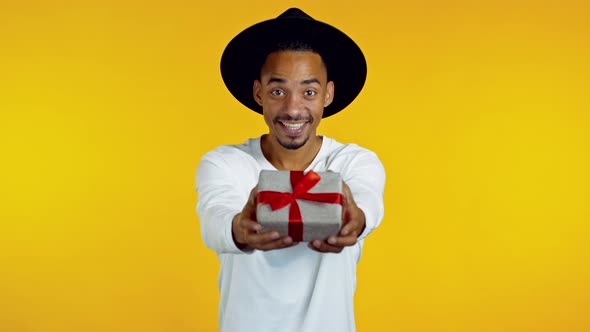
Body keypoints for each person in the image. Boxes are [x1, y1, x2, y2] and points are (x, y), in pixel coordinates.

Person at [196, 8, 385, 332]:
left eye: (309, 92)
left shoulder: (353, 162)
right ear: (259, 93)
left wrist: (357, 219)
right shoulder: (224, 162)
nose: (293, 108)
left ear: (328, 94)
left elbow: (368, 203)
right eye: (278, 91)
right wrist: (239, 229)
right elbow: (216, 217)